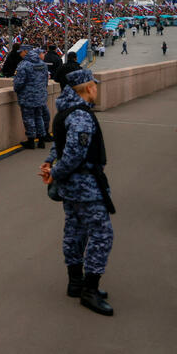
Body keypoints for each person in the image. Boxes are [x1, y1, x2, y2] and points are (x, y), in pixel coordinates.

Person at [40, 69, 114, 316]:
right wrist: (55, 172)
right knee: (102, 234)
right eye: (94, 85)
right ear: (87, 88)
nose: (97, 88)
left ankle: (75, 283)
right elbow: (73, 155)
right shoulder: (81, 116)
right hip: (86, 186)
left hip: (71, 188)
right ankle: (90, 290)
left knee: (74, 230)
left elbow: (59, 147)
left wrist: (50, 164)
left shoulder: (65, 112)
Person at [13, 44, 49, 149]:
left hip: (27, 96)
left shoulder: (24, 65)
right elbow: (46, 80)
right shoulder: (42, 63)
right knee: (39, 117)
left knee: (28, 118)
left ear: (25, 51)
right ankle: (42, 140)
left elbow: (19, 82)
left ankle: (31, 141)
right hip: (40, 96)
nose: (20, 54)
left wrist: (17, 90)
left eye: (21, 52)